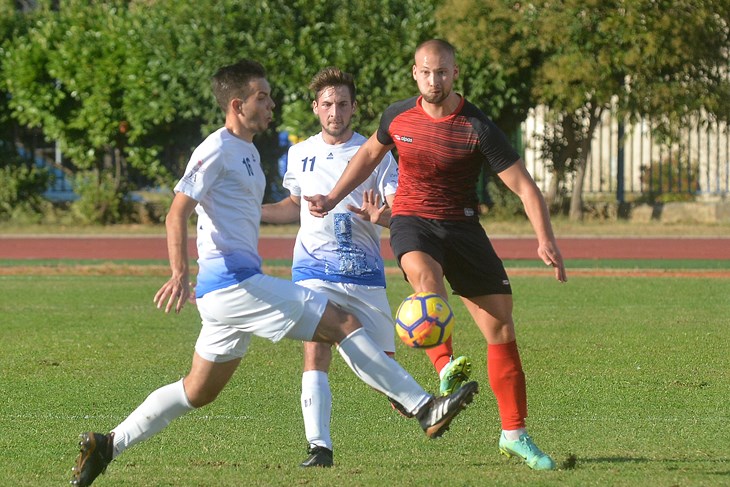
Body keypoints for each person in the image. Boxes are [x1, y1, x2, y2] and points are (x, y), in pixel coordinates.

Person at [69, 59, 479, 487]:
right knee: (342, 323)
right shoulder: (216, 149)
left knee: (198, 390)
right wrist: (179, 273)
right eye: (261, 97)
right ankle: (423, 407)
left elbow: (248, 209)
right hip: (234, 283)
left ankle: (107, 444)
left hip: (228, 294)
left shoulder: (247, 151)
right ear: (236, 104)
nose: (271, 104)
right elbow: (177, 212)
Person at [305, 40, 567, 471]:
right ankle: (445, 368)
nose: (434, 80)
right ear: (415, 73)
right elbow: (368, 157)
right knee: (426, 284)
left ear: (455, 73)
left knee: (501, 327)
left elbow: (524, 186)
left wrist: (545, 239)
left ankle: (514, 435)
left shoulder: (477, 126)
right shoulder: (397, 115)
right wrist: (333, 197)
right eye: (427, 72)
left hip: (463, 227)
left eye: (442, 72)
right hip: (412, 220)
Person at [261, 67, 399, 468]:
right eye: (327, 104)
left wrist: (382, 216)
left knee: (385, 373)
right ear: (315, 108)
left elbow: (396, 212)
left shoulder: (377, 153)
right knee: (315, 351)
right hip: (313, 270)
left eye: (342, 103)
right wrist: (253, 210)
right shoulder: (300, 152)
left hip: (364, 274)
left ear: (354, 107)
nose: (334, 111)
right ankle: (319, 447)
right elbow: (293, 205)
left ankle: (420, 408)